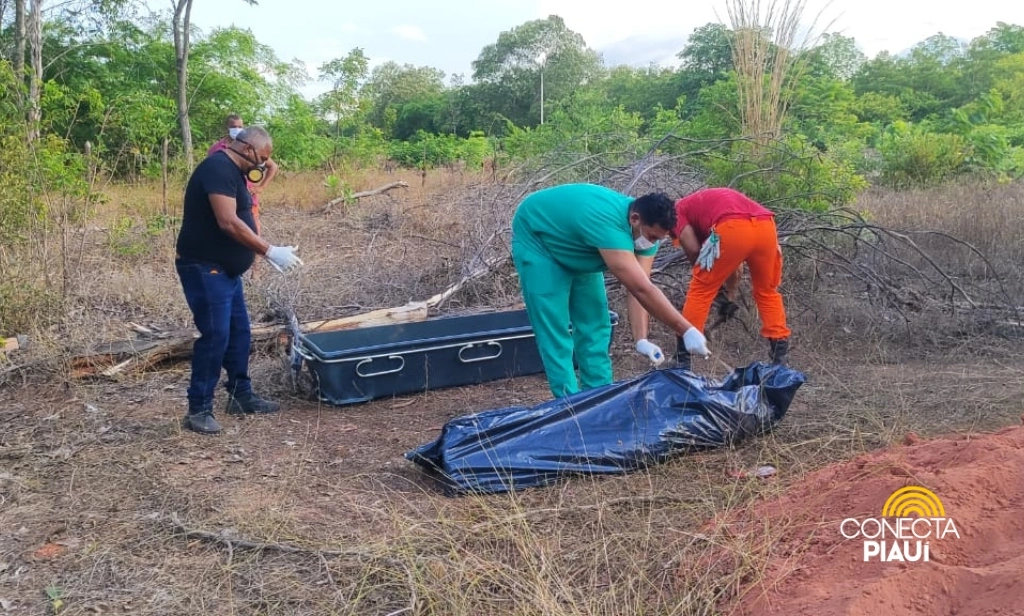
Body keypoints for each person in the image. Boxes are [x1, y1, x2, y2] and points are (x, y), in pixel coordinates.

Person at [511, 183, 711, 399]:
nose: (652, 243)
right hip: (539, 240)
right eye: (652, 237)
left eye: (658, 239)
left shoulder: (646, 231)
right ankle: (568, 404)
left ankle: (598, 395)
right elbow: (641, 289)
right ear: (635, 219)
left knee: (595, 321)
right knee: (555, 328)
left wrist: (641, 339)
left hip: (580, 244)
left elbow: (641, 287)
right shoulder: (609, 227)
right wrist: (686, 329)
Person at [176, 126, 304, 435]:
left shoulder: (234, 171)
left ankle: (240, 395)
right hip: (205, 268)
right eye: (262, 157)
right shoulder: (217, 167)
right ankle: (199, 409)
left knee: (239, 333)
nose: (263, 165)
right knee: (216, 335)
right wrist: (269, 250)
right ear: (247, 149)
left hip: (225, 270)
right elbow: (228, 221)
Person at [670, 187, 791, 370]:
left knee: (700, 290)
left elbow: (694, 249)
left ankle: (682, 359)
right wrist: (729, 296)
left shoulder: (675, 211)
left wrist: (708, 278)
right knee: (767, 292)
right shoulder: (706, 203)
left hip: (733, 227)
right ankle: (780, 359)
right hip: (766, 226)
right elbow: (735, 264)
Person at [208, 113, 279, 235]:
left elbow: (273, 166)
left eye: (240, 126)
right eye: (234, 126)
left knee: (253, 233)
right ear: (227, 127)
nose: (237, 129)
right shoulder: (216, 149)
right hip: (226, 198)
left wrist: (261, 187)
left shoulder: (250, 148)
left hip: (248, 199)